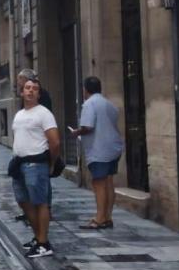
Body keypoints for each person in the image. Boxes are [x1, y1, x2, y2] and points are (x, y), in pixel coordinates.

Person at [11, 79, 61, 258]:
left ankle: (43, 243)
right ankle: (38, 236)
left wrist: (51, 163)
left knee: (40, 202)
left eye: (34, 89)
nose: (30, 91)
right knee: (23, 201)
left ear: (39, 94)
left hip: (36, 164)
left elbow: (54, 141)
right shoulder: (19, 114)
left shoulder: (44, 113)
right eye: (27, 88)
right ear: (22, 92)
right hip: (19, 164)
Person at [71, 76, 124, 230]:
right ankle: (107, 217)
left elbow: (88, 126)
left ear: (85, 89)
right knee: (108, 182)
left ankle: (99, 219)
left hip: (98, 149)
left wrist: (76, 132)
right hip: (113, 148)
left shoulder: (89, 103)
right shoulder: (110, 104)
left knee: (98, 183)